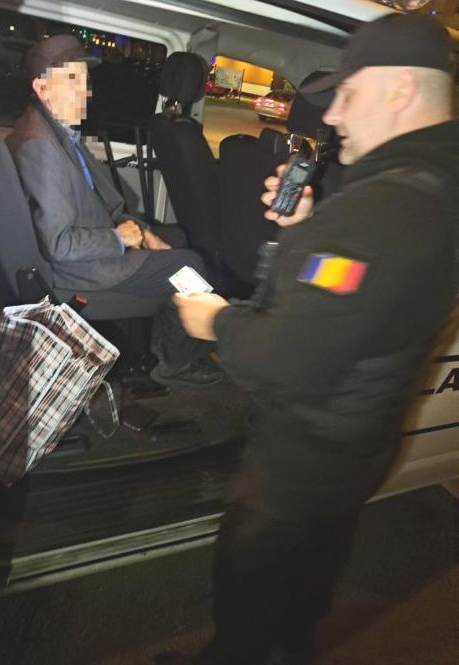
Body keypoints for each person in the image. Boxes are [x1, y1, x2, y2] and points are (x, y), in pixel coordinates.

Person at [156, 13, 459, 665]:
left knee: (247, 594)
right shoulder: (429, 187)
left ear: (400, 89)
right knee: (308, 576)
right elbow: (355, 291)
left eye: (348, 93)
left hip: (303, 454)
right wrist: (309, 227)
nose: (334, 115)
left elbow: (287, 361)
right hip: (359, 438)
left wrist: (215, 321)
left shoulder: (383, 207)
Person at [5, 34, 223, 388]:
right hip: (81, 270)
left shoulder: (55, 132)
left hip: (92, 247)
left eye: (84, 81)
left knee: (177, 237)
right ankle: (177, 363)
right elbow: (58, 244)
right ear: (42, 88)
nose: (84, 92)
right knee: (190, 265)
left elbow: (102, 201)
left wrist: (142, 232)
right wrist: (121, 238)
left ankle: (164, 337)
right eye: (72, 81)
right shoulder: (40, 147)